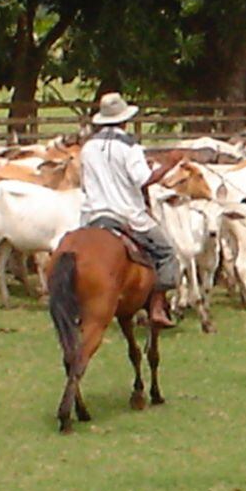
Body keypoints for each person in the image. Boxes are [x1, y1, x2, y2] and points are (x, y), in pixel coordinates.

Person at [79, 92, 181, 328]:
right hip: (127, 215)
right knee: (165, 252)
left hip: (92, 215)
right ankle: (157, 306)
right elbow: (143, 180)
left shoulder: (88, 147)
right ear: (125, 120)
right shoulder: (130, 147)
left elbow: (85, 183)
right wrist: (169, 163)